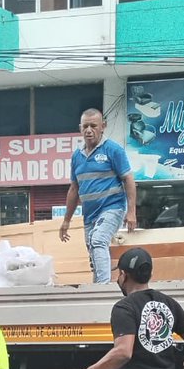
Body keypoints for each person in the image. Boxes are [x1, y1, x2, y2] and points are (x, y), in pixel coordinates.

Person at [59, 109, 136, 284]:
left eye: (93, 126)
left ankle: (103, 288)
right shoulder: (77, 157)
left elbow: (129, 180)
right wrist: (66, 221)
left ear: (103, 127)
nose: (89, 130)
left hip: (112, 208)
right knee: (93, 250)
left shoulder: (113, 150)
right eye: (85, 126)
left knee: (98, 240)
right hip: (90, 214)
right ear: (80, 128)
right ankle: (97, 288)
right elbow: (73, 189)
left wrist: (131, 212)